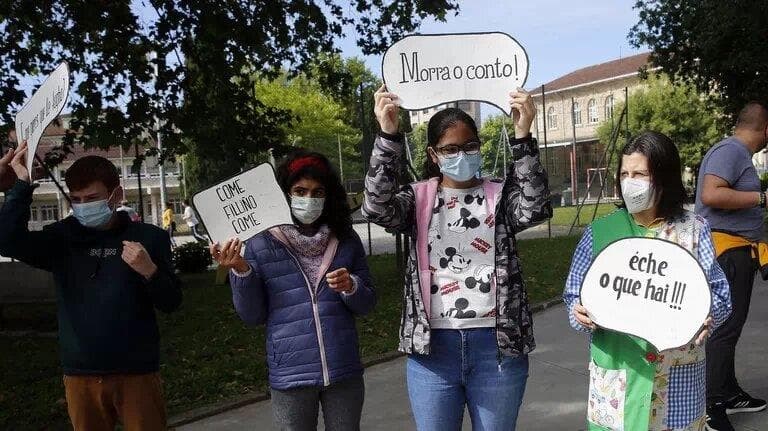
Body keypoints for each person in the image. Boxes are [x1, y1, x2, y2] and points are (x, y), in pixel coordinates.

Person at [363, 85, 551, 430]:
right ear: (434, 155)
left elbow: (535, 207)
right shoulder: (418, 200)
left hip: (496, 348)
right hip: (434, 350)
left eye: (470, 146)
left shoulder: (500, 196)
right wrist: (387, 135)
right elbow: (376, 207)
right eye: (450, 149)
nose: (461, 155)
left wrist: (523, 136)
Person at [0, 142, 182, 431]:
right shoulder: (62, 238)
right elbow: (7, 240)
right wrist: (18, 188)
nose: (84, 206)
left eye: (92, 198)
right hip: (81, 376)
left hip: (137, 373)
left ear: (116, 195)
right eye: (77, 199)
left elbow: (171, 302)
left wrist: (150, 271)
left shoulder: (149, 238)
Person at [564, 131, 732, 430]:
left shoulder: (694, 231)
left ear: (664, 177)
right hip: (618, 380)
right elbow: (573, 295)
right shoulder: (600, 233)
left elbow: (720, 295)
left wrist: (707, 315)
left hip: (677, 379)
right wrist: (578, 312)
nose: (630, 181)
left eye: (640, 173)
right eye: (625, 173)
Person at [210, 151, 376, 431]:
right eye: (300, 191)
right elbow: (252, 315)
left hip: (342, 368)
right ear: (284, 195)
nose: (308, 200)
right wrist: (241, 270)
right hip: (290, 373)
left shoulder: (347, 239)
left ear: (329, 195)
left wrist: (352, 287)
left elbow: (368, 303)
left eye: (317, 192)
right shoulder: (262, 243)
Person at [695, 101, 768, 430]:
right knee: (723, 330)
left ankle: (727, 392)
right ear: (765, 130)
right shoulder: (731, 150)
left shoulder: (736, 153)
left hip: (738, 252)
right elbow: (711, 194)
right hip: (727, 252)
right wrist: (762, 198)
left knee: (731, 327)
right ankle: (710, 405)